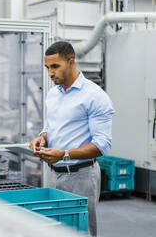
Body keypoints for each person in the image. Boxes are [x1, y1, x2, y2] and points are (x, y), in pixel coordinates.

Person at [29, 41, 115, 237]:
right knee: (50, 229)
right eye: (47, 67)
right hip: (51, 174)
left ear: (71, 62)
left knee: (81, 231)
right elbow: (51, 128)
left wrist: (64, 155)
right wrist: (42, 138)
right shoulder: (53, 94)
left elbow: (102, 144)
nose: (50, 73)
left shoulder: (94, 96)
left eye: (55, 66)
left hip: (81, 176)